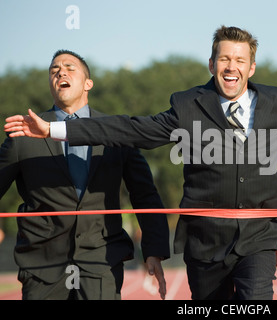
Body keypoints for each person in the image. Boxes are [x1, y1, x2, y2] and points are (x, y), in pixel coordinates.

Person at [4, 27, 277, 300]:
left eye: (240, 60)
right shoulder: (186, 105)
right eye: (224, 59)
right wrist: (54, 131)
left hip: (258, 237)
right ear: (211, 64)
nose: (232, 66)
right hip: (205, 240)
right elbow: (130, 129)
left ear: (252, 68)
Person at [0, 50, 170, 300]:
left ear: (88, 83)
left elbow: (144, 194)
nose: (61, 72)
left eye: (70, 67)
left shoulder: (117, 131)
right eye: (54, 70)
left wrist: (153, 250)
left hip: (101, 262)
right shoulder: (24, 133)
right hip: (42, 267)